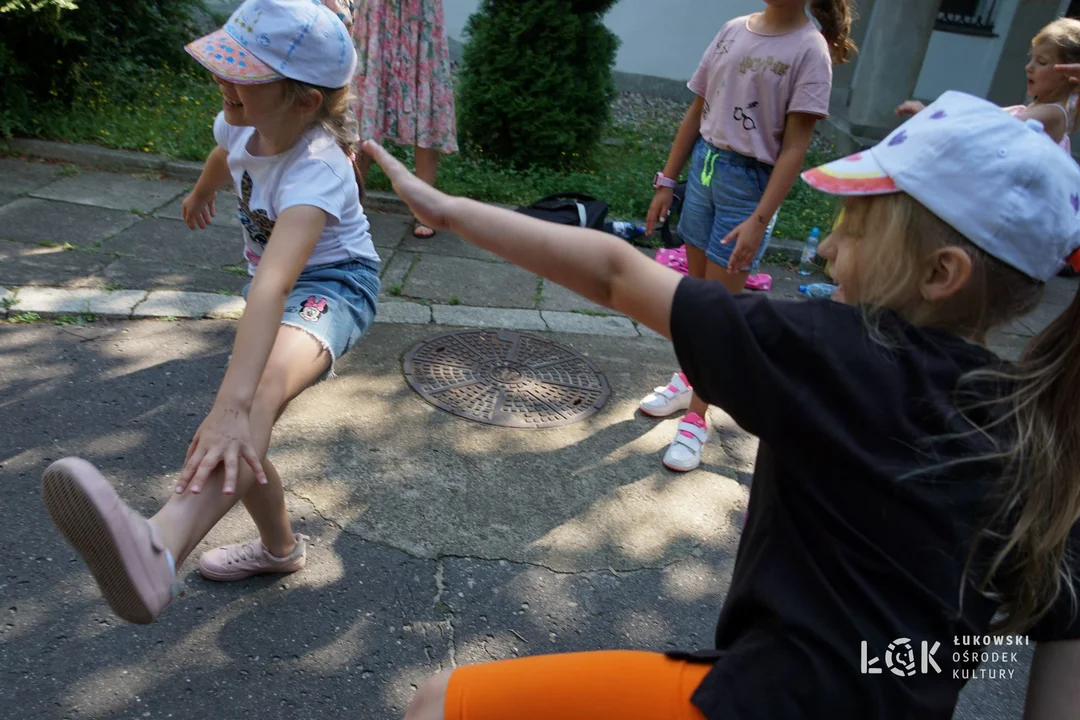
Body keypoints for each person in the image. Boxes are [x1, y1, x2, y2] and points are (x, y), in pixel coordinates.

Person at [364, 90, 1080, 719]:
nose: (828, 246)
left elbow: (618, 275)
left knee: (440, 705)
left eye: (855, 230)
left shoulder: (840, 354)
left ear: (940, 273)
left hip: (762, 699)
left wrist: (449, 209)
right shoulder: (1043, 433)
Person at [39, 0, 381, 625]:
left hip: (333, 287)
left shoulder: (319, 169)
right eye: (224, 65)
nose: (224, 81)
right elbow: (227, 154)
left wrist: (228, 407)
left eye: (243, 74)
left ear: (304, 101)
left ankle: (160, 546)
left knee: (246, 407)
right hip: (275, 290)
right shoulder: (241, 120)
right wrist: (201, 191)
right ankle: (281, 549)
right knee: (248, 432)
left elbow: (275, 283)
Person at [640, 0, 856, 473]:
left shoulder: (810, 49)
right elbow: (697, 111)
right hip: (704, 170)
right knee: (695, 300)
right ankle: (691, 380)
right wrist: (667, 181)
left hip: (750, 187)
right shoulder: (732, 29)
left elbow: (796, 147)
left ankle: (697, 417)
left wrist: (760, 220)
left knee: (719, 312)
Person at [352, 0, 458, 239]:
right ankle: (353, 204)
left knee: (425, 92)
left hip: (420, 10)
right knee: (366, 107)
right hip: (375, 9)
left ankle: (424, 208)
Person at [897, 17, 1080, 150]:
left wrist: (929, 115)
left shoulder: (1052, 113)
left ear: (1068, 72)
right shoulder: (1035, 108)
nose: (1028, 68)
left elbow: (987, 130)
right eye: (1031, 59)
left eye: (1041, 62)